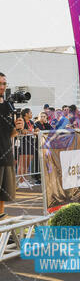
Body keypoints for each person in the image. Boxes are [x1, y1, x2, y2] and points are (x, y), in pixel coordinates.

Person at [0, 73, 24, 218]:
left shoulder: (9, 105)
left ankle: (1, 233)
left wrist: (18, 128)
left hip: (6, 154)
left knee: (3, 196)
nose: (2, 87)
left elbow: (10, 133)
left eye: (4, 84)